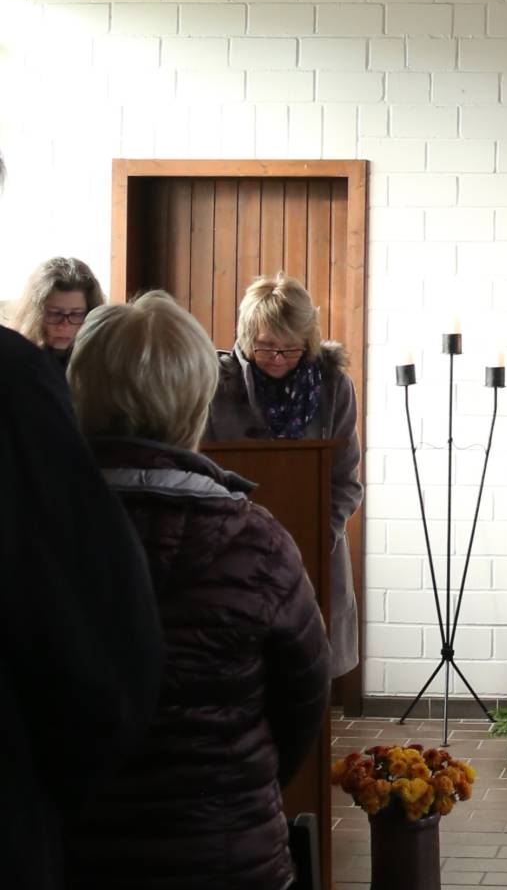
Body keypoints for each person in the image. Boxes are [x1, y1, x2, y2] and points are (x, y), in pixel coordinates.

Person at [65, 291, 331, 889]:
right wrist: (240, 787)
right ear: (195, 402)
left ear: (80, 392)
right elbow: (303, 702)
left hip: (72, 850)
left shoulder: (30, 528)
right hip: (225, 851)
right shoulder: (257, 541)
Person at [0, 154, 163, 890]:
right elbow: (95, 637)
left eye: (77, 316)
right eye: (57, 315)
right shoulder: (20, 380)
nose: (66, 327)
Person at [206, 273, 363, 678]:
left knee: (311, 674)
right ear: (245, 339)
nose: (277, 358)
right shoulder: (214, 383)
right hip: (234, 556)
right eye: (265, 347)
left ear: (308, 342)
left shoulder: (333, 386)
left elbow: (346, 482)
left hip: (316, 552)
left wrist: (318, 536)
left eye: (290, 349)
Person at [11, 256, 105, 377]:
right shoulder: (15, 358)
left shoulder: (101, 360)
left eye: (76, 314)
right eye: (55, 313)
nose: (64, 326)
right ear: (35, 316)